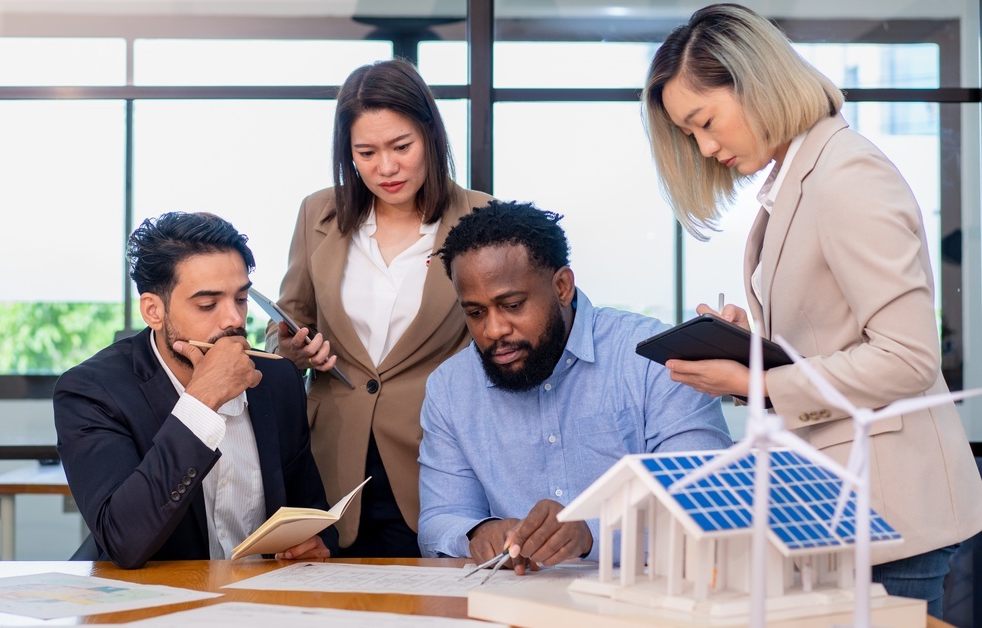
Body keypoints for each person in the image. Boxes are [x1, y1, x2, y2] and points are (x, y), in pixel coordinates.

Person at [642, 3, 982, 616]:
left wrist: (760, 382)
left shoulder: (846, 175)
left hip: (889, 510)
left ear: (756, 82)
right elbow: (836, 337)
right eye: (689, 135)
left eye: (705, 121)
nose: (705, 145)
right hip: (844, 508)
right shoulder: (799, 177)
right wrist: (749, 347)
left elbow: (907, 358)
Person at [417, 200, 732, 570]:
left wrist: (590, 535)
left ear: (563, 286)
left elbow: (708, 506)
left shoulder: (658, 361)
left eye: (513, 305)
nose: (494, 330)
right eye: (475, 312)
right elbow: (441, 517)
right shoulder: (450, 388)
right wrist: (477, 532)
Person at [268, 58, 493, 557]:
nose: (385, 168)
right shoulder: (317, 213)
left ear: (431, 136)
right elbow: (283, 322)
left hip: (435, 454)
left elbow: (498, 335)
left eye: (401, 147)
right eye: (365, 152)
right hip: (331, 460)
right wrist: (292, 348)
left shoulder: (481, 216)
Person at [55, 211, 336, 569]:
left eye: (240, 299)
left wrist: (316, 544)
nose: (234, 319)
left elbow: (311, 511)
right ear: (154, 311)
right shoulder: (92, 391)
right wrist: (201, 401)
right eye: (207, 304)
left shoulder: (277, 379)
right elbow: (123, 539)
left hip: (262, 601)